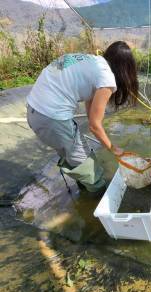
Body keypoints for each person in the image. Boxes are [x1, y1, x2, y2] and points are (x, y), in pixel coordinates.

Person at [27, 41, 138, 192]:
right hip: (52, 117)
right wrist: (112, 148)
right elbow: (94, 125)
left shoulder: (93, 62)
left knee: (73, 157)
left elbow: (90, 107)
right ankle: (97, 202)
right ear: (125, 68)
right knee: (88, 167)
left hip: (34, 111)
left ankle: (83, 192)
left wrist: (95, 124)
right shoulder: (107, 78)